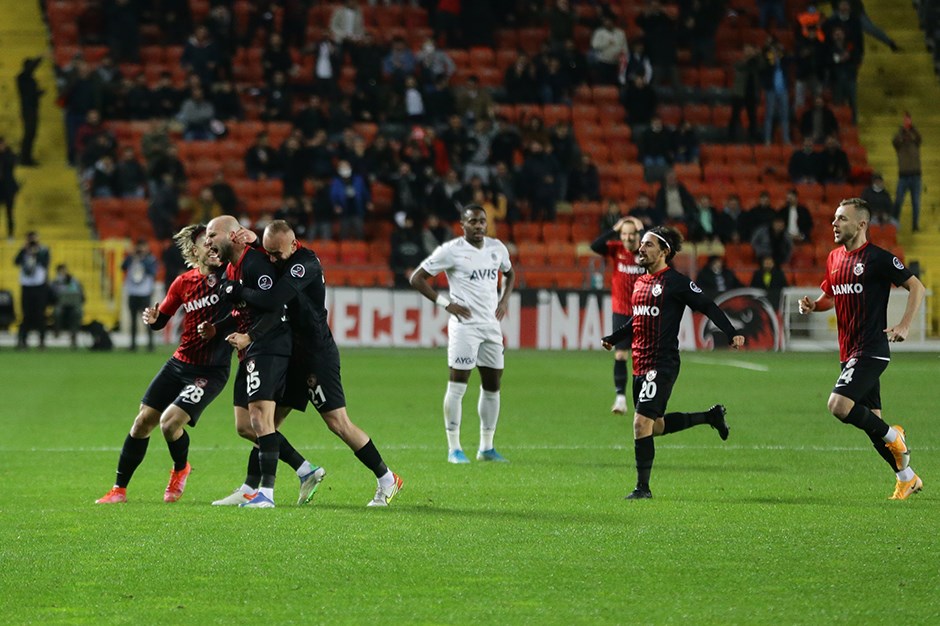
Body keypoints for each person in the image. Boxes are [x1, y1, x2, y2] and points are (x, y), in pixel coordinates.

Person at [220, 220, 403, 507]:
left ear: (293, 245)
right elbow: (269, 255)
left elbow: (276, 298)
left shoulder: (304, 264)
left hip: (316, 355)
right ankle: (253, 488)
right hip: (292, 353)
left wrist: (238, 291)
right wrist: (255, 242)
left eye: (276, 254)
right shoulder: (279, 253)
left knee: (337, 423)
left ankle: (387, 478)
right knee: (265, 425)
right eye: (267, 253)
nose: (271, 259)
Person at [602, 226, 745, 499]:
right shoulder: (641, 282)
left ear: (664, 251)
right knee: (653, 426)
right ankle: (710, 416)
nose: (641, 248)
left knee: (640, 424)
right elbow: (638, 320)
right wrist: (614, 336)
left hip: (662, 363)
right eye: (641, 244)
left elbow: (707, 305)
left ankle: (642, 488)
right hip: (639, 364)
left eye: (648, 244)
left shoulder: (676, 282)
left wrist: (731, 332)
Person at [797, 198, 926, 500]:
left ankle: (896, 436)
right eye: (834, 218)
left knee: (838, 406)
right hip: (848, 351)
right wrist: (814, 305)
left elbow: (916, 286)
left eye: (842, 218)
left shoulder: (879, 259)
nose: (834, 223)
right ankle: (907, 478)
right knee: (871, 423)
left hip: (871, 349)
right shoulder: (834, 258)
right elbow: (831, 294)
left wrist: (904, 324)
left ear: (861, 224)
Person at [96, 225, 233, 504]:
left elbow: (243, 308)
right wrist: (153, 317)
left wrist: (221, 329)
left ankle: (181, 468)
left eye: (214, 241)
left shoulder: (231, 276)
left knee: (169, 424)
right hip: (179, 363)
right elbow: (162, 320)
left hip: (210, 370)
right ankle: (119, 490)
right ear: (195, 250)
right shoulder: (183, 282)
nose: (212, 246)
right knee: (141, 423)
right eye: (205, 242)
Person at [202, 215, 302, 509]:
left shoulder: (255, 263)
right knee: (245, 425)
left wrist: (250, 336)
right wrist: (217, 328)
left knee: (260, 418)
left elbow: (274, 306)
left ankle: (265, 493)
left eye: (212, 234)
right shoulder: (231, 268)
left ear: (233, 236)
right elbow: (242, 309)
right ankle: (304, 470)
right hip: (249, 349)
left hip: (268, 345)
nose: (207, 240)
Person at [410, 205, 516, 464]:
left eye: (482, 221)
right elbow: (417, 278)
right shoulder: (451, 251)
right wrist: (445, 304)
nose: (479, 226)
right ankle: (454, 448)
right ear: (463, 225)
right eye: (473, 222)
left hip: (491, 326)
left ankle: (487, 447)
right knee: (458, 385)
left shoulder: (497, 248)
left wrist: (504, 301)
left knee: (493, 386)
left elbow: (510, 273)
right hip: (464, 327)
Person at [590, 216, 644, 414]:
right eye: (624, 234)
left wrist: (643, 229)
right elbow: (595, 245)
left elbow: (666, 251)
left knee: (643, 359)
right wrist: (614, 229)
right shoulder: (616, 249)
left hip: (644, 312)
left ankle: (643, 401)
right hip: (621, 311)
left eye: (632, 234)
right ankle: (620, 398)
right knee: (621, 354)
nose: (628, 238)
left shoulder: (646, 251)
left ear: (638, 235)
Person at [14, 231, 50, 349]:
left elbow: (45, 263)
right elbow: (16, 262)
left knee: (40, 314)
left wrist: (36, 253)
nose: (32, 242)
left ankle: (42, 341)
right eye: (30, 240)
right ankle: (22, 340)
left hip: (39, 287)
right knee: (26, 314)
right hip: (26, 286)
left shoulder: (43, 251)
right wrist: (24, 250)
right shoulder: (24, 251)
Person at [122, 240, 158, 351]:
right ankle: (133, 345)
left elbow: (152, 272)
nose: (141, 250)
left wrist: (142, 259)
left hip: (144, 293)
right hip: (133, 292)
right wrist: (131, 256)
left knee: (148, 320)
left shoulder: (150, 259)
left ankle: (150, 345)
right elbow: (123, 267)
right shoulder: (132, 258)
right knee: (132, 320)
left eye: (143, 247)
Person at [892, 113, 922, 232]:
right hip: (903, 175)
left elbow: (919, 139)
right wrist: (903, 133)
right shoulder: (899, 135)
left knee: (916, 202)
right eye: (905, 120)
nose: (907, 122)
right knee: (898, 200)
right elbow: (895, 142)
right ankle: (894, 224)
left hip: (916, 174)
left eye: (908, 120)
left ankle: (915, 225)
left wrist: (912, 130)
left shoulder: (915, 134)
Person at [16, 56, 44, 166]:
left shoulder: (30, 79)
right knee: (29, 134)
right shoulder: (22, 77)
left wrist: (39, 93)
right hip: (28, 110)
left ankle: (27, 157)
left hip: (33, 109)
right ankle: (24, 158)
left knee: (31, 134)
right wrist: (40, 58)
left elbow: (31, 94)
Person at [50, 263, 84, 348]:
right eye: (61, 271)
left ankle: (74, 334)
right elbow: (51, 295)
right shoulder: (55, 282)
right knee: (57, 312)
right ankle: (57, 330)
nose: (63, 273)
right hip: (60, 305)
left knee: (78, 312)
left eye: (64, 270)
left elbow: (81, 295)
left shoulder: (74, 281)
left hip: (73, 305)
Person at [0, 136, 18, 238]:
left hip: (8, 188)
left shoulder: (10, 155)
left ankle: (10, 235)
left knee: (9, 212)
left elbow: (13, 163)